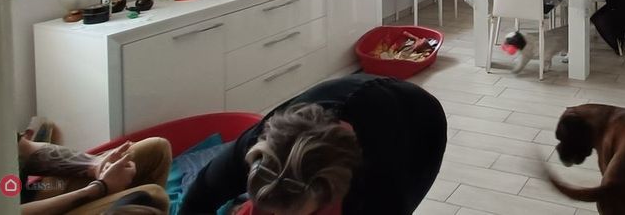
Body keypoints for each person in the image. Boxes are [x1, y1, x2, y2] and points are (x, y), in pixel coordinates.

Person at [179, 74, 447, 215]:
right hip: (346, 97)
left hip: (419, 121)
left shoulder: (375, 183)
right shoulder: (254, 145)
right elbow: (196, 202)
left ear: (332, 192)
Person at [16, 132, 171, 215]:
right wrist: (100, 187)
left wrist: (95, 165)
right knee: (154, 195)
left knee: (157, 149)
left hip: (36, 192)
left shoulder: (0, 116)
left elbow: (27, 149)